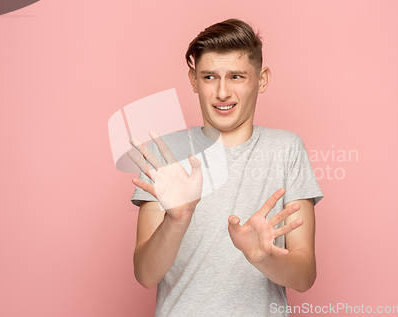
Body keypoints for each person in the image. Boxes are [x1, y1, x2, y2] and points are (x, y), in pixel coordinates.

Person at [128, 18, 324, 317]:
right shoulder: (164, 152)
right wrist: (177, 219)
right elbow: (145, 274)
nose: (222, 92)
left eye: (236, 76)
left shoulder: (286, 149)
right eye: (209, 77)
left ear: (261, 79)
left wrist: (262, 257)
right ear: (193, 80)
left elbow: (305, 276)